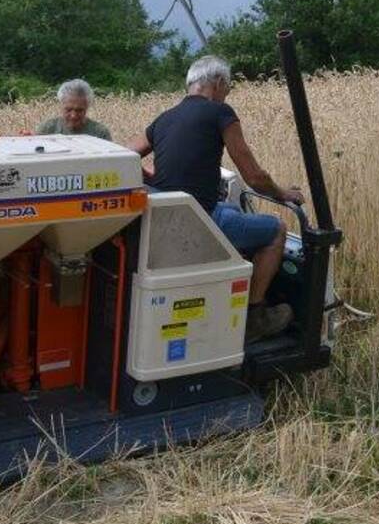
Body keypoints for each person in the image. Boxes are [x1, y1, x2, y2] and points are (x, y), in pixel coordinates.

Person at [128, 55, 304, 342]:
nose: (227, 94)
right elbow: (255, 177)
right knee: (276, 231)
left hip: (165, 221)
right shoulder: (220, 113)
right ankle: (254, 318)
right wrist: (284, 193)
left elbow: (125, 155)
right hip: (200, 221)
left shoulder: (165, 118)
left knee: (229, 208)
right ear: (219, 83)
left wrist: (151, 178)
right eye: (228, 87)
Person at [37, 79, 112, 140]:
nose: (73, 115)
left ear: (87, 107)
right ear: (61, 105)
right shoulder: (47, 129)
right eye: (68, 110)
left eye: (79, 110)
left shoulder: (100, 133)